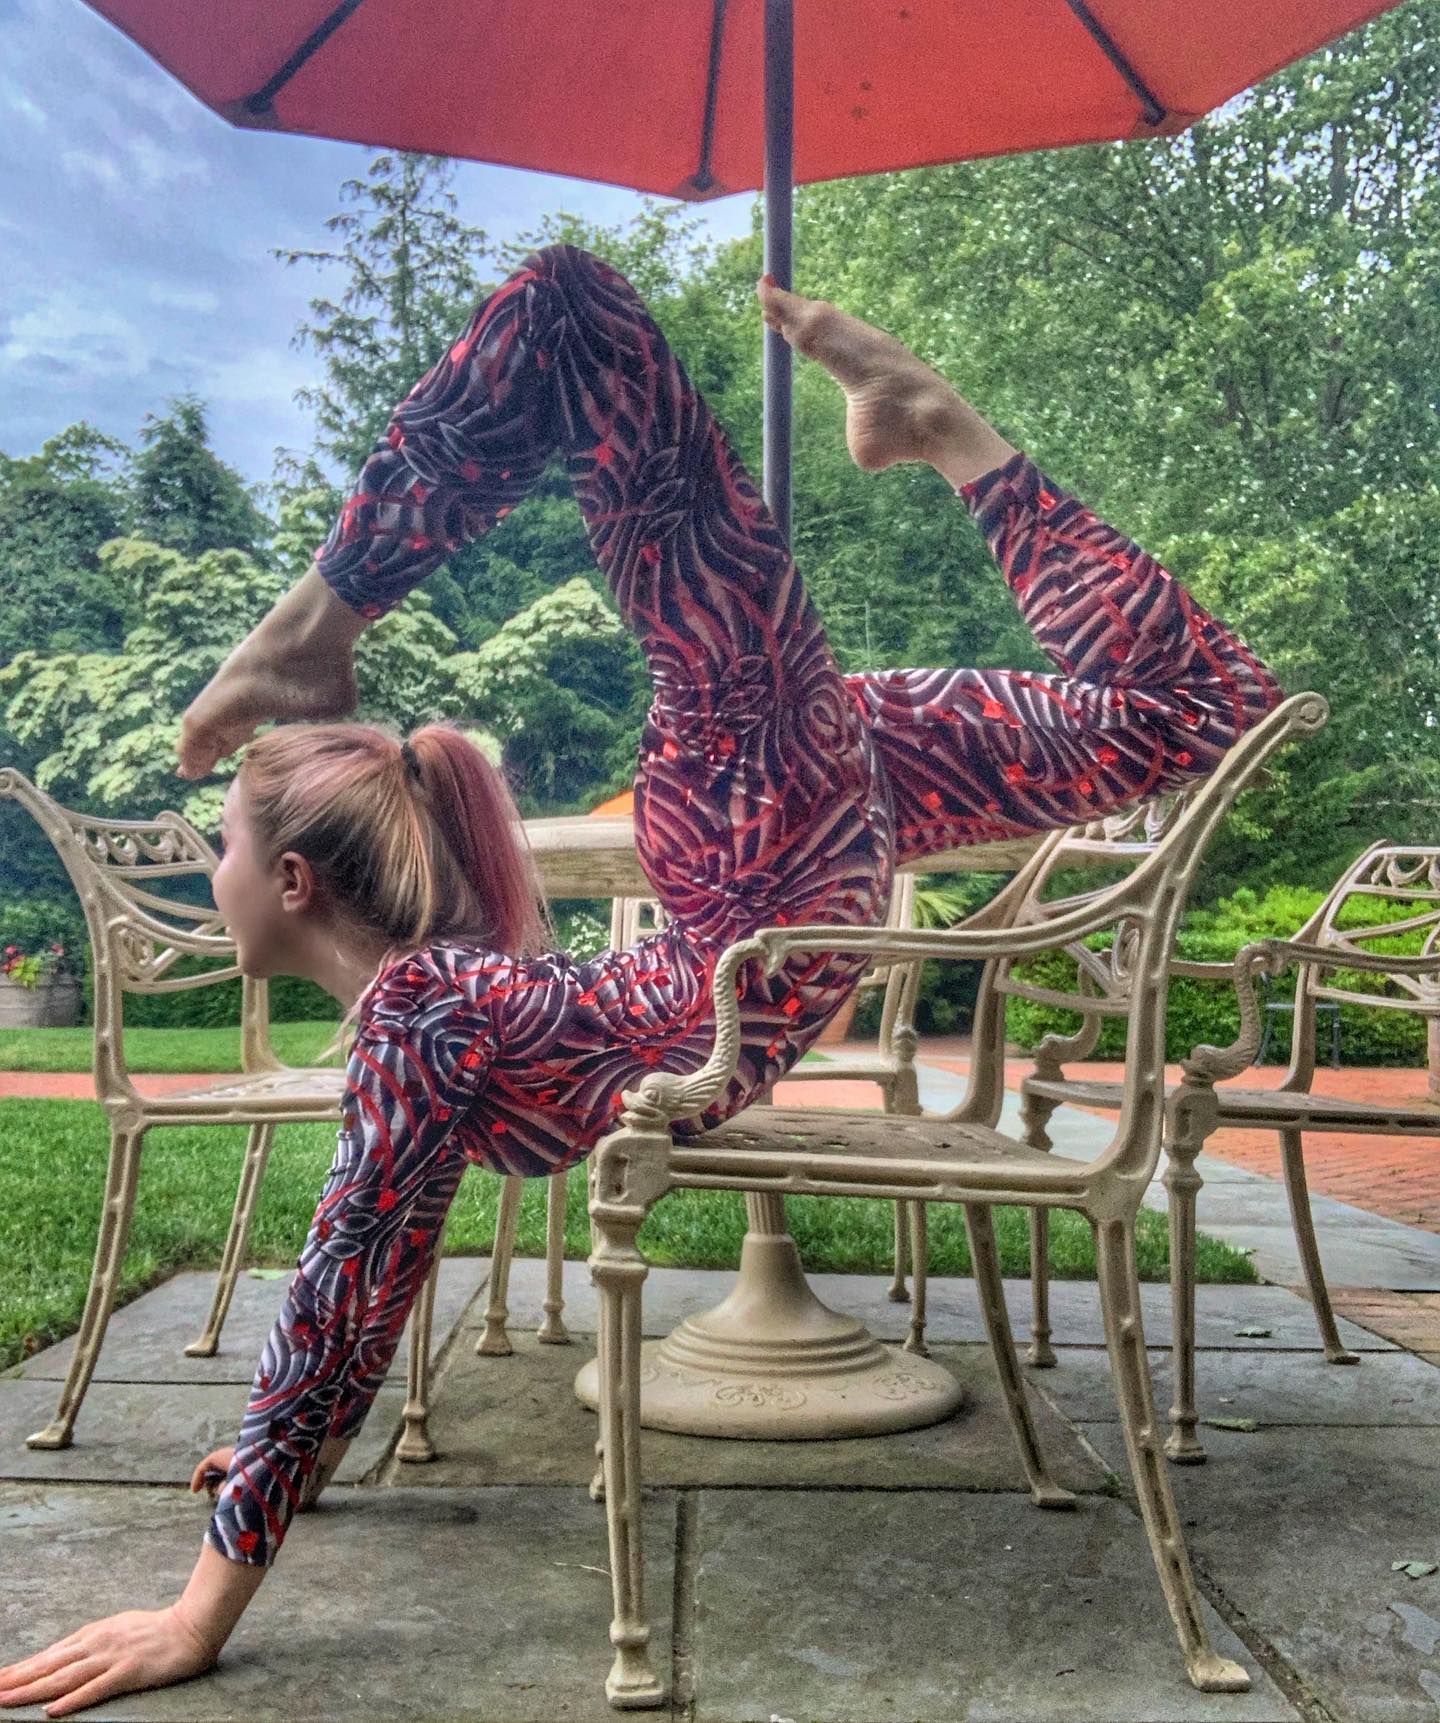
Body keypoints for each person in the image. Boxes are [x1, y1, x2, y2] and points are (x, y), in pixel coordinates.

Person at [0, 244, 1280, 1717]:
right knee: (1197, 709)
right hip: (785, 828)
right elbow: (360, 1288)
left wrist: (199, 1610)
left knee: (573, 311)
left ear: (293, 883)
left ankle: (315, 632)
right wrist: (284, 1459)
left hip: (760, 826)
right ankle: (944, 433)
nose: (206, 865)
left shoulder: (423, 1007)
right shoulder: (439, 1003)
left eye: (220, 843)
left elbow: (345, 1285)